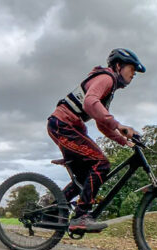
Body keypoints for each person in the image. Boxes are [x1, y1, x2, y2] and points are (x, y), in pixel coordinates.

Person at [47, 48, 145, 232]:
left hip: (65, 126)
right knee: (101, 164)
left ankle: (53, 209)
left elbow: (101, 124)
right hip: (62, 125)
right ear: (118, 66)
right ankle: (81, 216)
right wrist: (118, 125)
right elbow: (90, 103)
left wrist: (124, 141)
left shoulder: (110, 88)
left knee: (85, 179)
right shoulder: (106, 78)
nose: (134, 74)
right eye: (132, 69)